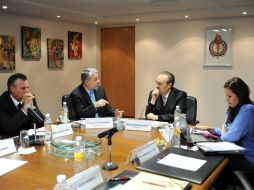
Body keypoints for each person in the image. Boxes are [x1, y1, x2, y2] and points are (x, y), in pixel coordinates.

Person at [195, 77, 254, 189]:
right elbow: (226, 130)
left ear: (240, 95)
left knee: (214, 165)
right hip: (236, 153)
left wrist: (222, 130)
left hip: (248, 159)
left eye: (229, 96)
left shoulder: (247, 109)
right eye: (226, 95)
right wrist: (210, 129)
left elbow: (230, 137)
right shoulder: (235, 109)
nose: (226, 99)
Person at [0, 73, 44, 139]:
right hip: (9, 141)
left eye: (27, 87)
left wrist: (34, 109)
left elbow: (42, 122)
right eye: (23, 88)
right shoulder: (2, 102)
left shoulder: (30, 98)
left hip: (28, 139)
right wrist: (25, 108)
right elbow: (8, 128)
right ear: (12, 89)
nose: (27, 91)